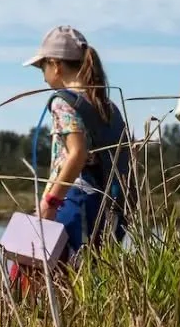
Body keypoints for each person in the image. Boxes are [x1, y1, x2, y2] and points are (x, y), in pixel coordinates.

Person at [25, 25, 133, 260]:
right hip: (106, 205)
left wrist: (50, 202)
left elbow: (77, 153)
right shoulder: (107, 106)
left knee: (61, 271)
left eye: (43, 67)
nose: (43, 76)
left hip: (74, 202)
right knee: (92, 270)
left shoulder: (63, 102)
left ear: (56, 65)